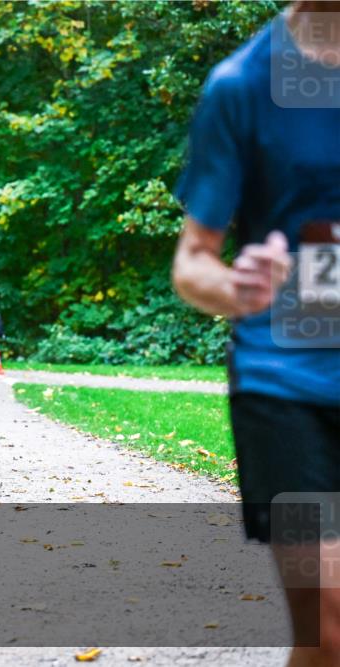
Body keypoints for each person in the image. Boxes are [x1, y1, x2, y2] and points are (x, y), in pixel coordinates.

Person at [172, 3, 339, 665]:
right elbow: (192, 261)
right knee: (328, 621)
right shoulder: (242, 84)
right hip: (284, 387)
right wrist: (237, 286)